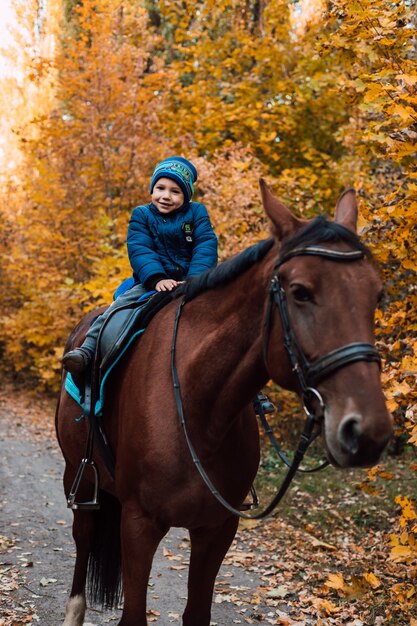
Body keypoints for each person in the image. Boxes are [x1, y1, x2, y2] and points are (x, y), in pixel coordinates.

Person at [62, 156, 218, 375]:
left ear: (186, 196)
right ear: (152, 190)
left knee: (226, 313)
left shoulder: (197, 213)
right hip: (151, 281)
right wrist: (157, 278)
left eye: (175, 191)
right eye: (160, 188)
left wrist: (195, 280)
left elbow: (206, 246)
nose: (166, 196)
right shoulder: (142, 215)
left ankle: (249, 391)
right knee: (118, 308)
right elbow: (140, 248)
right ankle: (88, 350)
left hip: (191, 280)